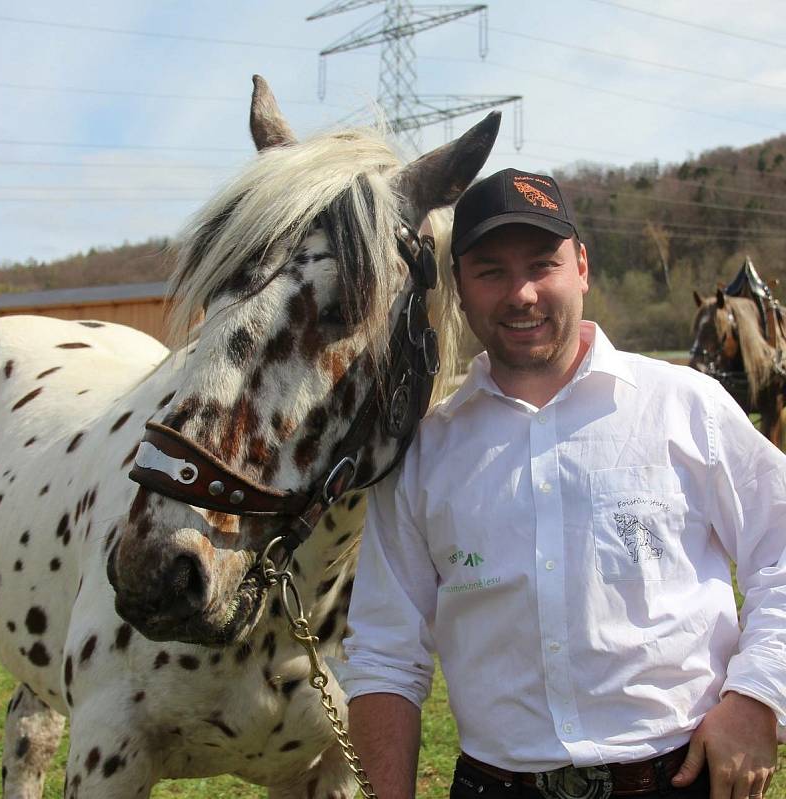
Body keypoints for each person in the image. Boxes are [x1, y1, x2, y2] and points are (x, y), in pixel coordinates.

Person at [333, 168, 786, 799]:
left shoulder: (687, 408)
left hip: (680, 777)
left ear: (582, 267)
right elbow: (384, 655)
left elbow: (781, 552)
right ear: (459, 290)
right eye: (490, 270)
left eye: (542, 264)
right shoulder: (424, 453)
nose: (520, 293)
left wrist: (759, 697)